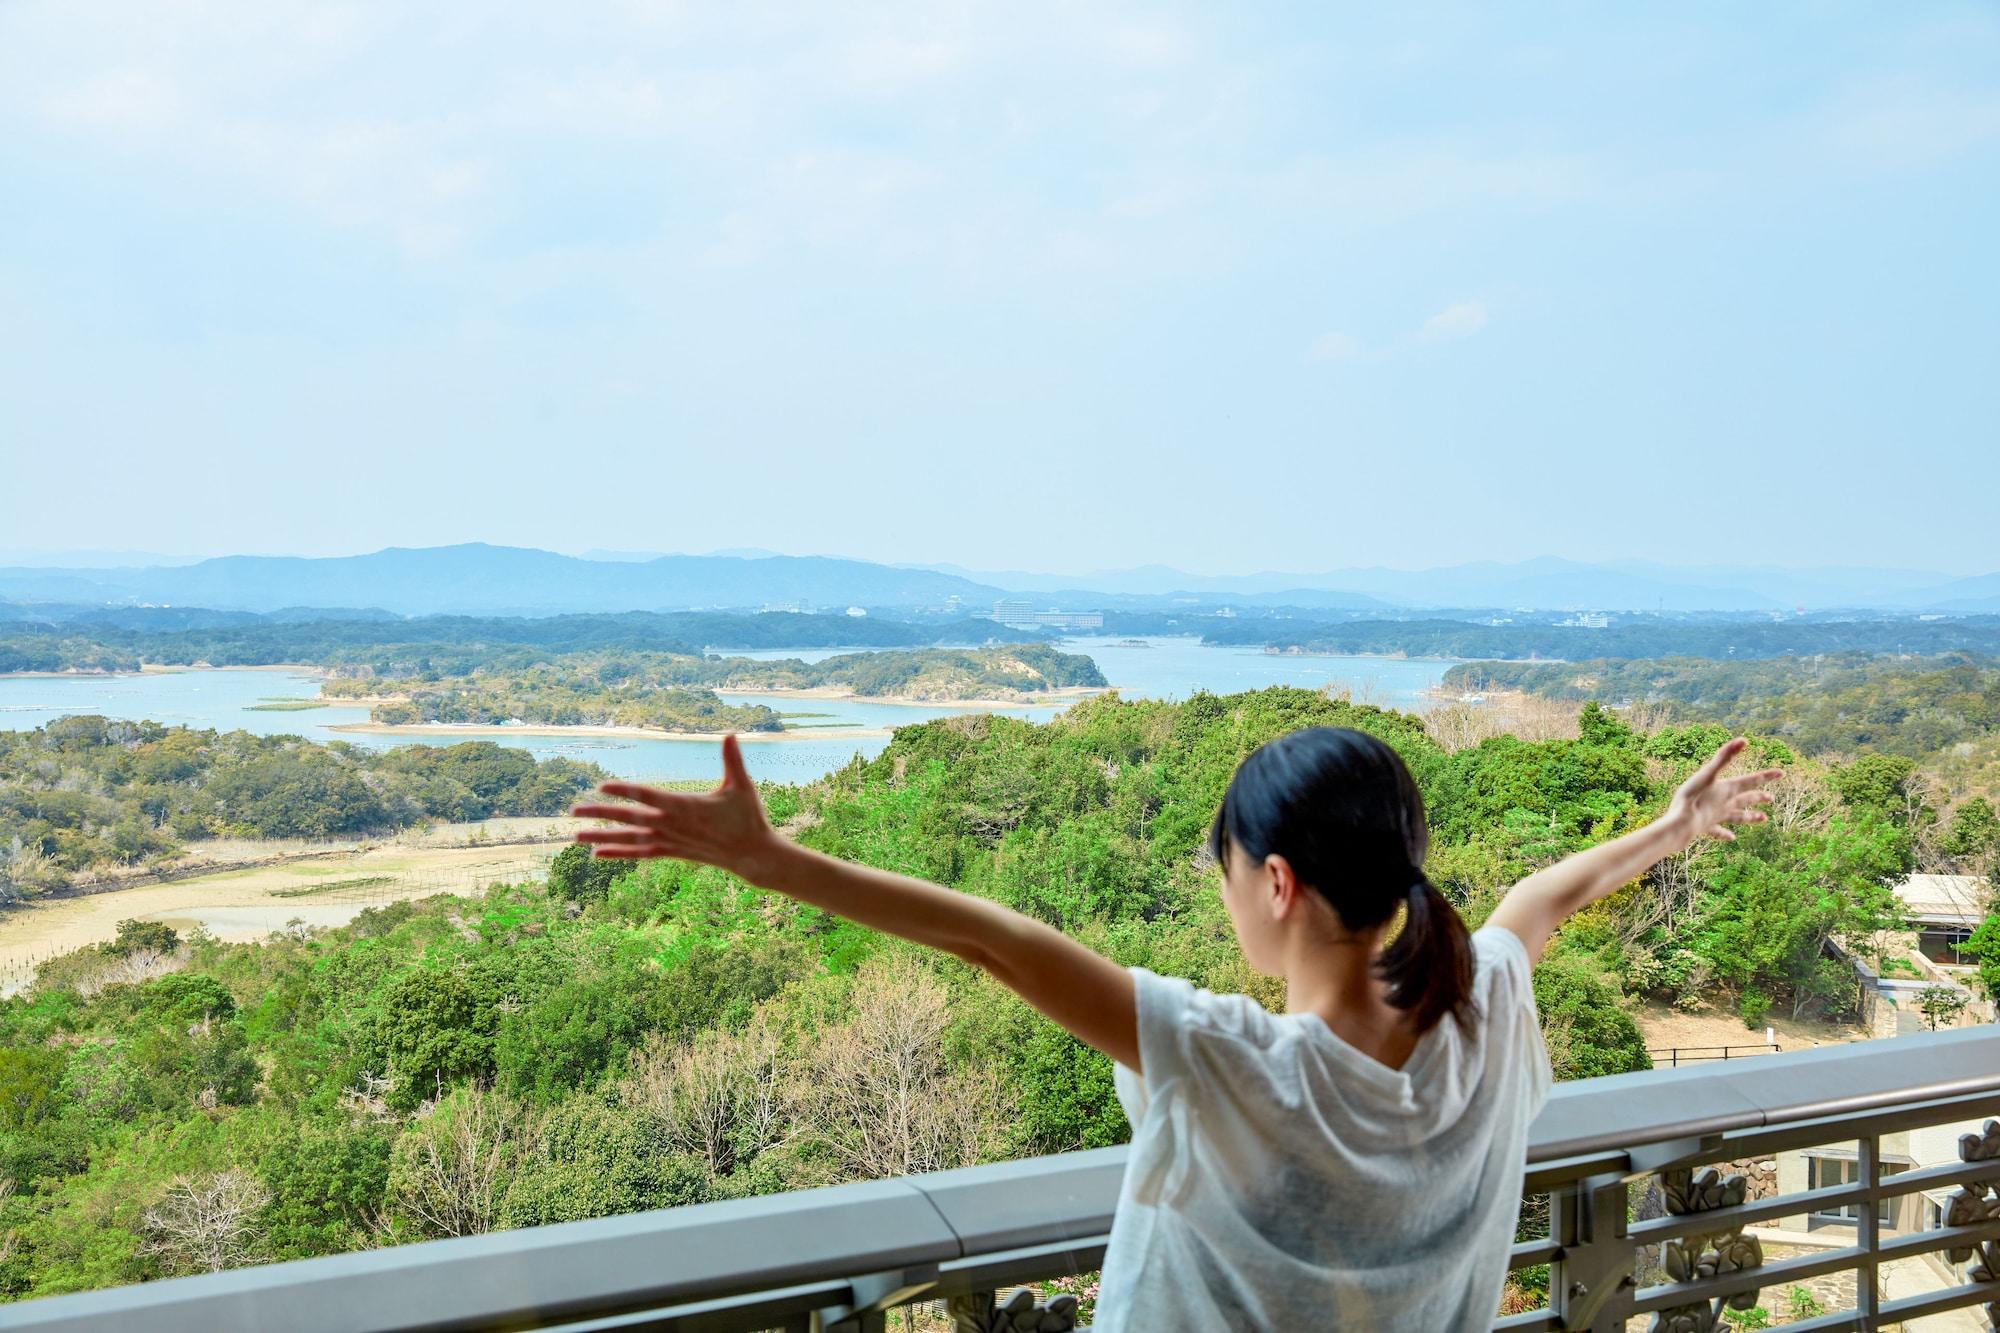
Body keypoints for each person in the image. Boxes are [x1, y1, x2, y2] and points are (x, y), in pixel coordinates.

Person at [572, 726, 1779, 1330]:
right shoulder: (1485, 1018)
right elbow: (1545, 897)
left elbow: (994, 941)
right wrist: (1669, 828)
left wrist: (771, 861)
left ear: (1276, 883)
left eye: (1225, 865)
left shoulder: (1234, 1065)